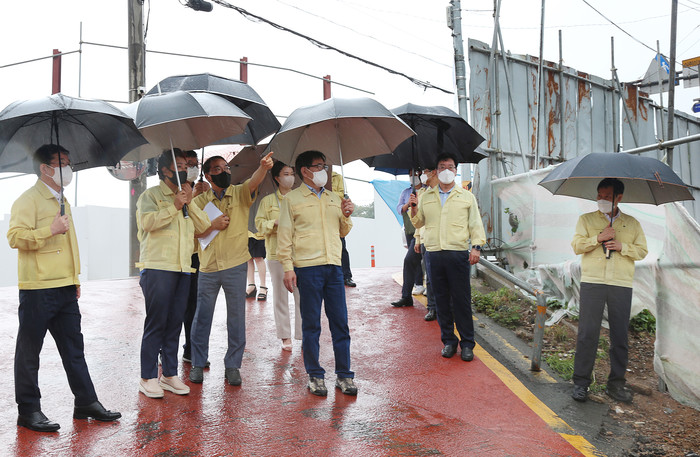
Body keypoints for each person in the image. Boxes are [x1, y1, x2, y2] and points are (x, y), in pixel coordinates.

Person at [7, 144, 121, 432]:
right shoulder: (28, 199)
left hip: (65, 287)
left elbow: (69, 245)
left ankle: (86, 402)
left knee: (74, 349)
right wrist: (50, 229)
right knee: (29, 352)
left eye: (69, 162)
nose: (68, 168)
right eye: (61, 162)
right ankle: (28, 411)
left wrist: (74, 279)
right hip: (38, 288)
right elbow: (15, 237)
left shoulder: (62, 200)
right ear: (45, 168)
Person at [189, 152, 274, 386]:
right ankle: (197, 363)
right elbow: (191, 232)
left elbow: (254, 181)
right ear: (207, 176)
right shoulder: (199, 201)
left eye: (226, 168)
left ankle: (233, 365)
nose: (225, 172)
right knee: (202, 317)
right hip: (208, 267)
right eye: (217, 169)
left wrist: (263, 167)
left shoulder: (239, 193)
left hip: (236, 265)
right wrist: (211, 225)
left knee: (236, 318)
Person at [278, 150, 358, 397]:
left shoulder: (334, 198)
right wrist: (288, 268)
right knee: (311, 325)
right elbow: (284, 236)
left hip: (333, 267)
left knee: (340, 323)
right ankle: (315, 375)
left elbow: (342, 232)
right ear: (305, 171)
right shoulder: (292, 199)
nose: (324, 170)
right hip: (307, 268)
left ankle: (344, 375)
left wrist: (346, 215)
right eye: (319, 166)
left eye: (325, 166)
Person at [136, 149, 211, 399]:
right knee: (156, 322)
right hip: (158, 267)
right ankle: (147, 377)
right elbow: (147, 223)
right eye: (179, 165)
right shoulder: (151, 196)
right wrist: (174, 206)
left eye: (186, 165)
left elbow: (204, 226)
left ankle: (169, 374)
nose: (185, 169)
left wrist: (189, 202)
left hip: (183, 268)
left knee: (175, 322)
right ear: (165, 170)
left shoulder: (185, 197)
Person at [571, 178, 648, 403]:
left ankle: (616, 384)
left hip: (621, 283)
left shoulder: (632, 223)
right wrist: (599, 238)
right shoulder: (586, 220)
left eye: (607, 197)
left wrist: (623, 247)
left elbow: (642, 251)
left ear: (619, 198)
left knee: (620, 336)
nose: (601, 200)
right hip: (593, 282)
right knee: (587, 333)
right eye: (599, 196)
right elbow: (577, 246)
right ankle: (581, 383)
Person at [409, 153, 486, 361]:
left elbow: (475, 224)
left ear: (455, 171)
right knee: (441, 300)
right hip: (434, 253)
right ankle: (449, 341)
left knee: (461, 300)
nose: (446, 170)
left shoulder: (466, 197)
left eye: (450, 167)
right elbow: (418, 223)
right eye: (442, 166)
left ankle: (467, 343)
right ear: (436, 171)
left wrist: (476, 247)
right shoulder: (426, 197)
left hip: (457, 253)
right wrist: (413, 207)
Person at [255, 161, 302, 351]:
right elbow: (258, 225)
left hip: (298, 253)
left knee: (301, 295)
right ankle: (285, 336)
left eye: (292, 174)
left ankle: (303, 333)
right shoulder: (267, 201)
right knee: (280, 295)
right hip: (276, 254)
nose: (290, 178)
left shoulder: (299, 198)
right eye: (285, 174)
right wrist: (272, 223)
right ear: (277, 178)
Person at [182, 150, 210, 364]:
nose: (192, 168)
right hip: (175, 257)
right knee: (173, 306)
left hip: (196, 255)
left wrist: (203, 197)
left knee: (194, 305)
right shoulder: (174, 191)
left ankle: (191, 349)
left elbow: (207, 223)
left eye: (195, 164)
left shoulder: (203, 190)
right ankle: (165, 349)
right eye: (188, 164)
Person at [391, 169, 425, 308]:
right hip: (412, 230)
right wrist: (408, 205)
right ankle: (408, 294)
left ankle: (430, 298)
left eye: (416, 174)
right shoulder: (406, 192)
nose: (413, 177)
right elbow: (399, 208)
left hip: (424, 232)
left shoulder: (427, 191)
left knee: (423, 261)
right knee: (411, 259)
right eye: (410, 174)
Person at [414, 166, 439, 321]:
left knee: (441, 276)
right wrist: (417, 239)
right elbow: (419, 220)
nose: (422, 175)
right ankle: (432, 307)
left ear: (433, 172)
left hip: (440, 240)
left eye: (425, 172)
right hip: (425, 240)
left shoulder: (444, 193)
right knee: (429, 276)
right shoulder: (422, 194)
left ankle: (446, 307)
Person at [332, 171, 356, 287]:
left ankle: (347, 276)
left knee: (342, 247)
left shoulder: (337, 177)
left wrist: (328, 193)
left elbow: (342, 195)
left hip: (337, 215)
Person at [245, 230, 268, 300]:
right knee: (248, 258)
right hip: (245, 233)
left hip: (258, 233)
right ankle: (251, 285)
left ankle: (263, 287)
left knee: (258, 257)